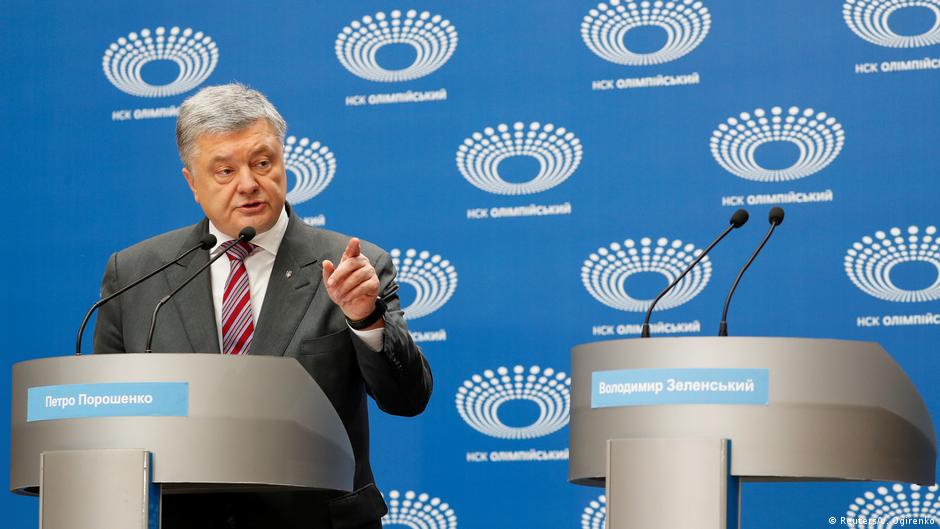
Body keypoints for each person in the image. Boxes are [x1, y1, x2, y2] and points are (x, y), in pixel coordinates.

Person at [93, 83, 433, 529]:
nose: (249, 184)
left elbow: (407, 398)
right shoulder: (136, 274)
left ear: (283, 162)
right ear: (192, 182)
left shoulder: (352, 266)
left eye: (262, 163)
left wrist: (365, 318)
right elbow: (106, 423)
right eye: (225, 171)